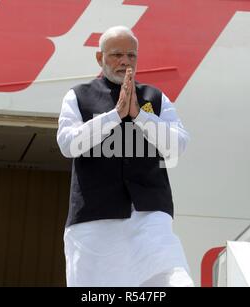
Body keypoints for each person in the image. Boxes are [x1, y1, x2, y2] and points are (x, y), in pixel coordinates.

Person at [57, 26, 193, 287]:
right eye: (116, 55)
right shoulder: (78, 96)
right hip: (95, 219)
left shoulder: (155, 97)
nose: (125, 62)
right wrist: (114, 115)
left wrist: (141, 116)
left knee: (172, 279)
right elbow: (68, 144)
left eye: (131, 56)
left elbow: (178, 145)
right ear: (100, 58)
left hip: (150, 214)